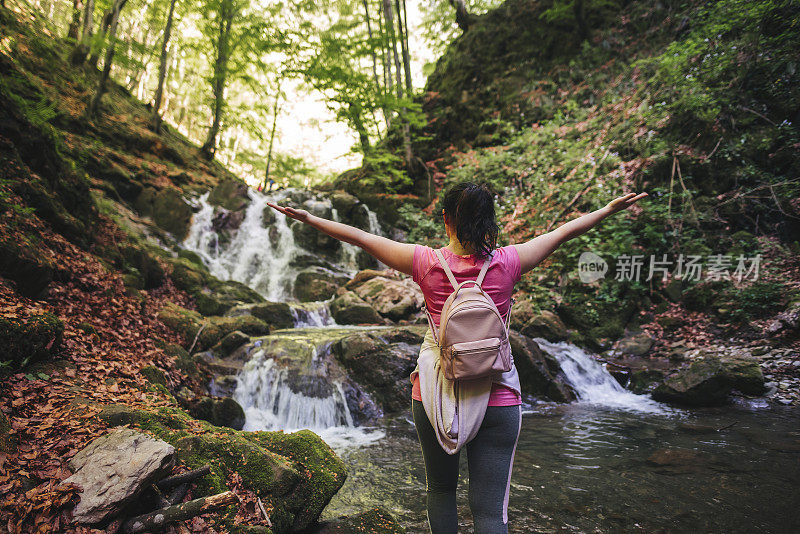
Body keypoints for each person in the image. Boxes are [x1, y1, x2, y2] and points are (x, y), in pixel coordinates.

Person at [266, 182, 648, 534]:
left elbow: (364, 238)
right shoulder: (510, 262)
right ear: (489, 223)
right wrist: (608, 209)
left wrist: (310, 218)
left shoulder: (425, 262)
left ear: (446, 219)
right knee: (489, 512)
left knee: (441, 491)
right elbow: (563, 232)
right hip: (497, 397)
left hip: (435, 398)